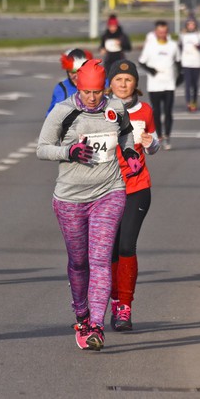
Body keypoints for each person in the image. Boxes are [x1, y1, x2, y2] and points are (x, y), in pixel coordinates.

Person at [37, 59, 143, 351]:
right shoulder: (64, 112)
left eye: (98, 92)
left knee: (99, 259)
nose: (94, 98)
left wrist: (130, 152)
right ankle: (81, 314)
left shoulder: (115, 108)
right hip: (70, 197)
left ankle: (96, 325)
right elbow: (42, 148)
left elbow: (125, 132)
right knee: (79, 262)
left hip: (110, 191)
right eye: (87, 92)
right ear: (78, 88)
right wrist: (69, 151)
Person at [106, 60, 160, 332]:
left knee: (126, 245)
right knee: (111, 250)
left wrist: (152, 144)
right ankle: (115, 301)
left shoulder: (145, 110)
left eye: (128, 80)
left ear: (136, 84)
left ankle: (125, 307)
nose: (123, 84)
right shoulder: (102, 110)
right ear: (110, 83)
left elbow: (154, 141)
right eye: (118, 80)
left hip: (137, 187)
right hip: (105, 189)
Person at [138, 20, 179, 150]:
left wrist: (178, 79)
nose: (162, 34)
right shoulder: (150, 45)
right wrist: (152, 71)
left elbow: (179, 63)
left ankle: (167, 136)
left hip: (169, 84)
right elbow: (142, 62)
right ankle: (159, 135)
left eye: (165, 31)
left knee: (168, 111)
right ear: (156, 32)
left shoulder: (173, 45)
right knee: (156, 111)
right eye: (160, 31)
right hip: (155, 84)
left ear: (167, 32)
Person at [47, 48, 93, 115]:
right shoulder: (62, 89)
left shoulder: (102, 84)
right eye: (72, 71)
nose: (76, 76)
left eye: (80, 71)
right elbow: (51, 117)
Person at [179, 17, 200, 113]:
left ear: (195, 25)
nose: (191, 26)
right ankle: (188, 103)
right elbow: (179, 47)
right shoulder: (183, 35)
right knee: (187, 83)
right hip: (186, 62)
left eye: (193, 24)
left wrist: (198, 46)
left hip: (197, 63)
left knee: (194, 84)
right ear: (186, 25)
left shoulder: (199, 35)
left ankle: (194, 101)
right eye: (189, 24)